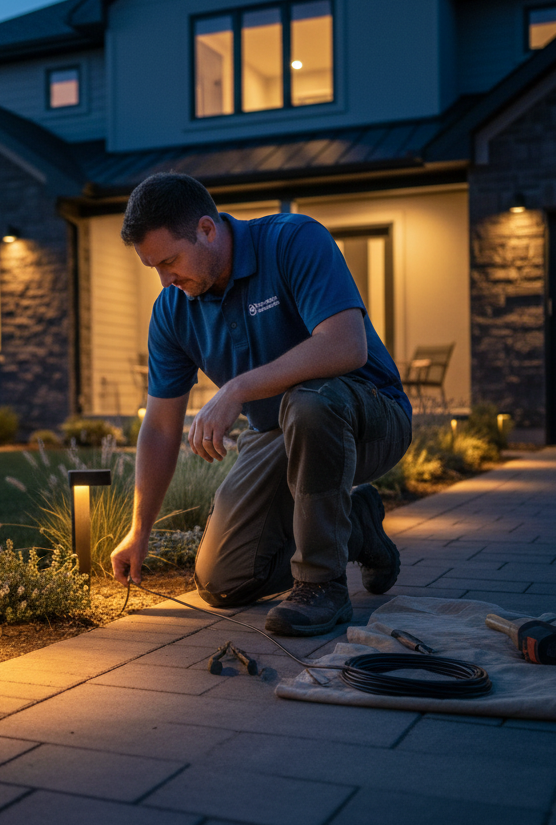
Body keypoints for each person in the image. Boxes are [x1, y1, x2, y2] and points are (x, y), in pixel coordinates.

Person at [110, 173, 412, 636]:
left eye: (170, 261)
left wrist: (235, 390)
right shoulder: (172, 310)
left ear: (207, 230)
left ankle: (322, 588)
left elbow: (346, 347)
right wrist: (140, 530)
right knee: (223, 580)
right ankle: (357, 529)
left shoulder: (293, 240)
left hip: (368, 416)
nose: (165, 280)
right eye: (154, 268)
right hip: (275, 435)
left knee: (310, 401)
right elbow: (161, 427)